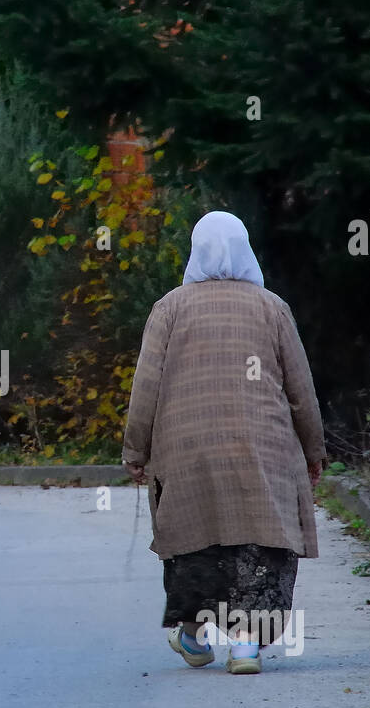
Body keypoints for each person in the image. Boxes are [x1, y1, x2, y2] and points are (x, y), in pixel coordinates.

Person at [121, 211, 325, 675]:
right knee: (256, 541)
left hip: (186, 448)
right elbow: (300, 390)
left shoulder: (169, 308)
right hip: (264, 447)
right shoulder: (272, 307)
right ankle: (246, 647)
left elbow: (145, 387)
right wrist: (313, 450)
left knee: (197, 542)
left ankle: (193, 639)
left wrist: (136, 451)